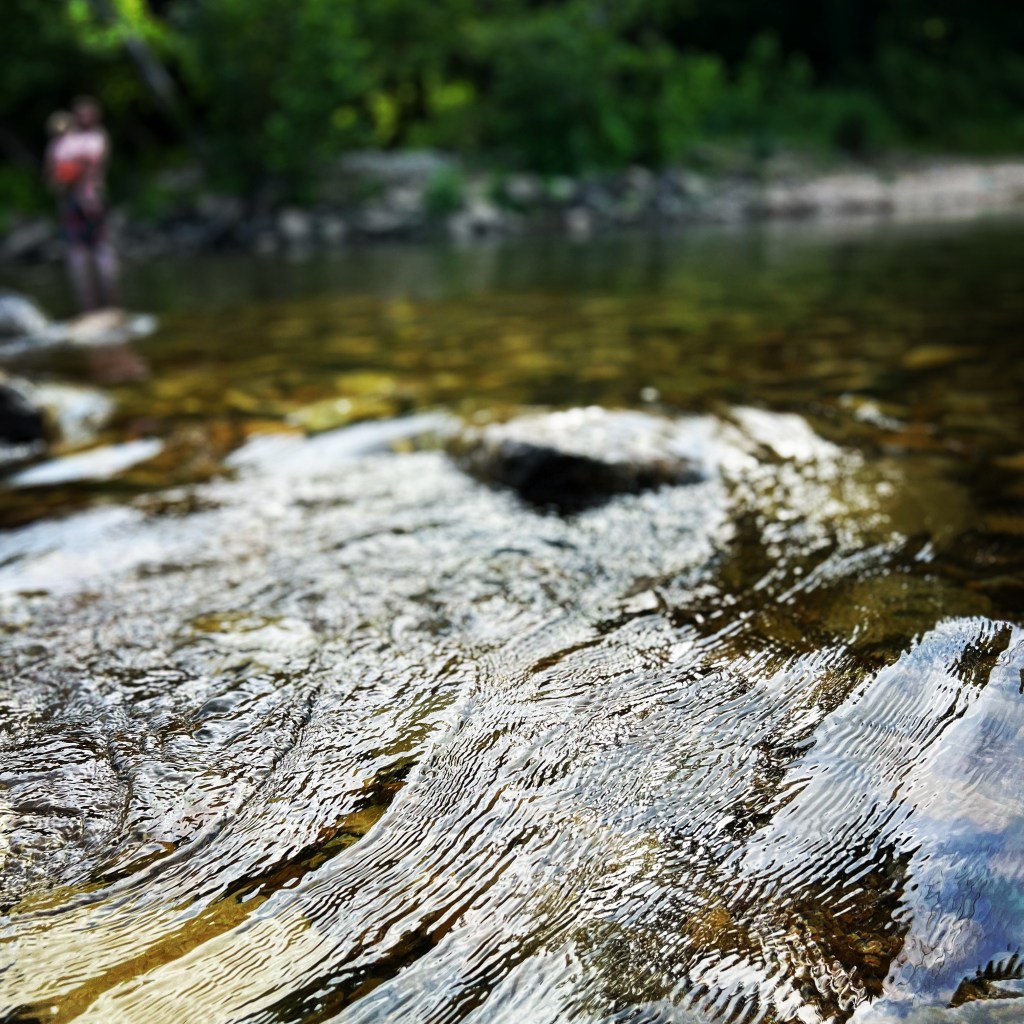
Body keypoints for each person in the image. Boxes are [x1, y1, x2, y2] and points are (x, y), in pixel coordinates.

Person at [45, 96, 120, 311]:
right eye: (79, 115)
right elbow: (53, 175)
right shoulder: (61, 142)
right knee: (78, 257)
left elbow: (89, 163)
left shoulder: (97, 137)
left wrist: (68, 170)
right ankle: (89, 309)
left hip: (92, 201)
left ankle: (112, 307)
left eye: (86, 114)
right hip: (70, 203)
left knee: (102, 252)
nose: (82, 118)